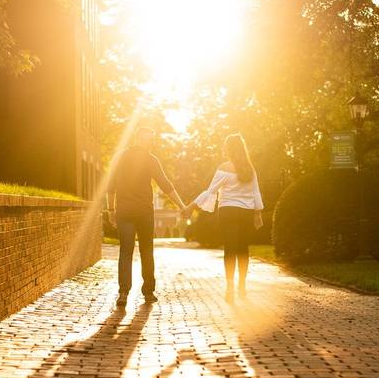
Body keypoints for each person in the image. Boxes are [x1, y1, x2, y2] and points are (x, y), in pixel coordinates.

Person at [107, 126, 186, 306]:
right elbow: (166, 185)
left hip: (125, 212)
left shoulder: (121, 157)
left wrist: (111, 211)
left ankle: (124, 293)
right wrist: (182, 205)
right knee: (146, 252)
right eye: (149, 139)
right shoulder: (151, 160)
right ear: (141, 139)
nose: (150, 142)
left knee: (125, 252)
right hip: (143, 212)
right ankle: (148, 292)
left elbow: (110, 187)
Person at [181, 133, 264, 303]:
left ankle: (229, 288)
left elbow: (210, 191)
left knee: (230, 249)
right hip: (246, 212)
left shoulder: (224, 168)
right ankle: (241, 286)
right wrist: (258, 213)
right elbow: (255, 192)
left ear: (229, 148)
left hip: (228, 212)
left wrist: (191, 206)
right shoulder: (250, 168)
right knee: (243, 249)